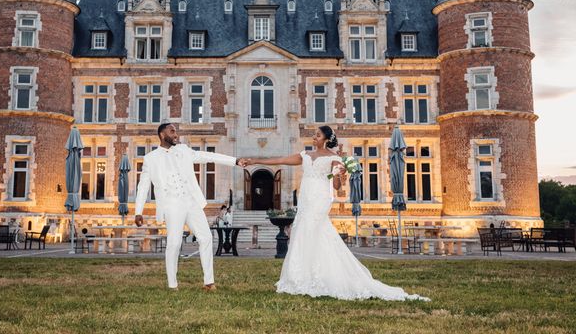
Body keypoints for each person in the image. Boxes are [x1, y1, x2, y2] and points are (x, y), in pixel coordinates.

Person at [243, 125, 429, 301]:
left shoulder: (334, 158)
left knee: (313, 230)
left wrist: (340, 175)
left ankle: (319, 276)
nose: (314, 137)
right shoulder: (305, 155)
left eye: (317, 135)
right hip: (306, 198)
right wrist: (254, 161)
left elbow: (336, 186)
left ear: (325, 139)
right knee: (302, 232)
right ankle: (300, 276)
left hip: (320, 199)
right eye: (314, 134)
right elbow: (280, 160)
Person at [135, 123, 247, 291]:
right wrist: (138, 211)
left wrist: (235, 161)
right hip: (172, 204)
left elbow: (208, 155)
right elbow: (143, 187)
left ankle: (209, 282)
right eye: (172, 131)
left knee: (206, 237)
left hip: (191, 202)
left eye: (176, 131)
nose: (176, 134)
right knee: (174, 242)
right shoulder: (150, 159)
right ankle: (173, 285)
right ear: (161, 135)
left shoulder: (184, 150)